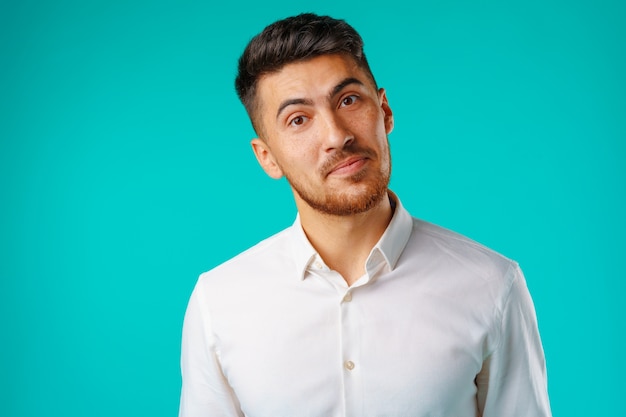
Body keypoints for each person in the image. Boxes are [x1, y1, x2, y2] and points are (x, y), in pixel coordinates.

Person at [179, 13, 551, 417]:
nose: (337, 135)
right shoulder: (218, 303)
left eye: (349, 100)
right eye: (298, 119)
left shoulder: (492, 286)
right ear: (268, 157)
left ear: (385, 111)